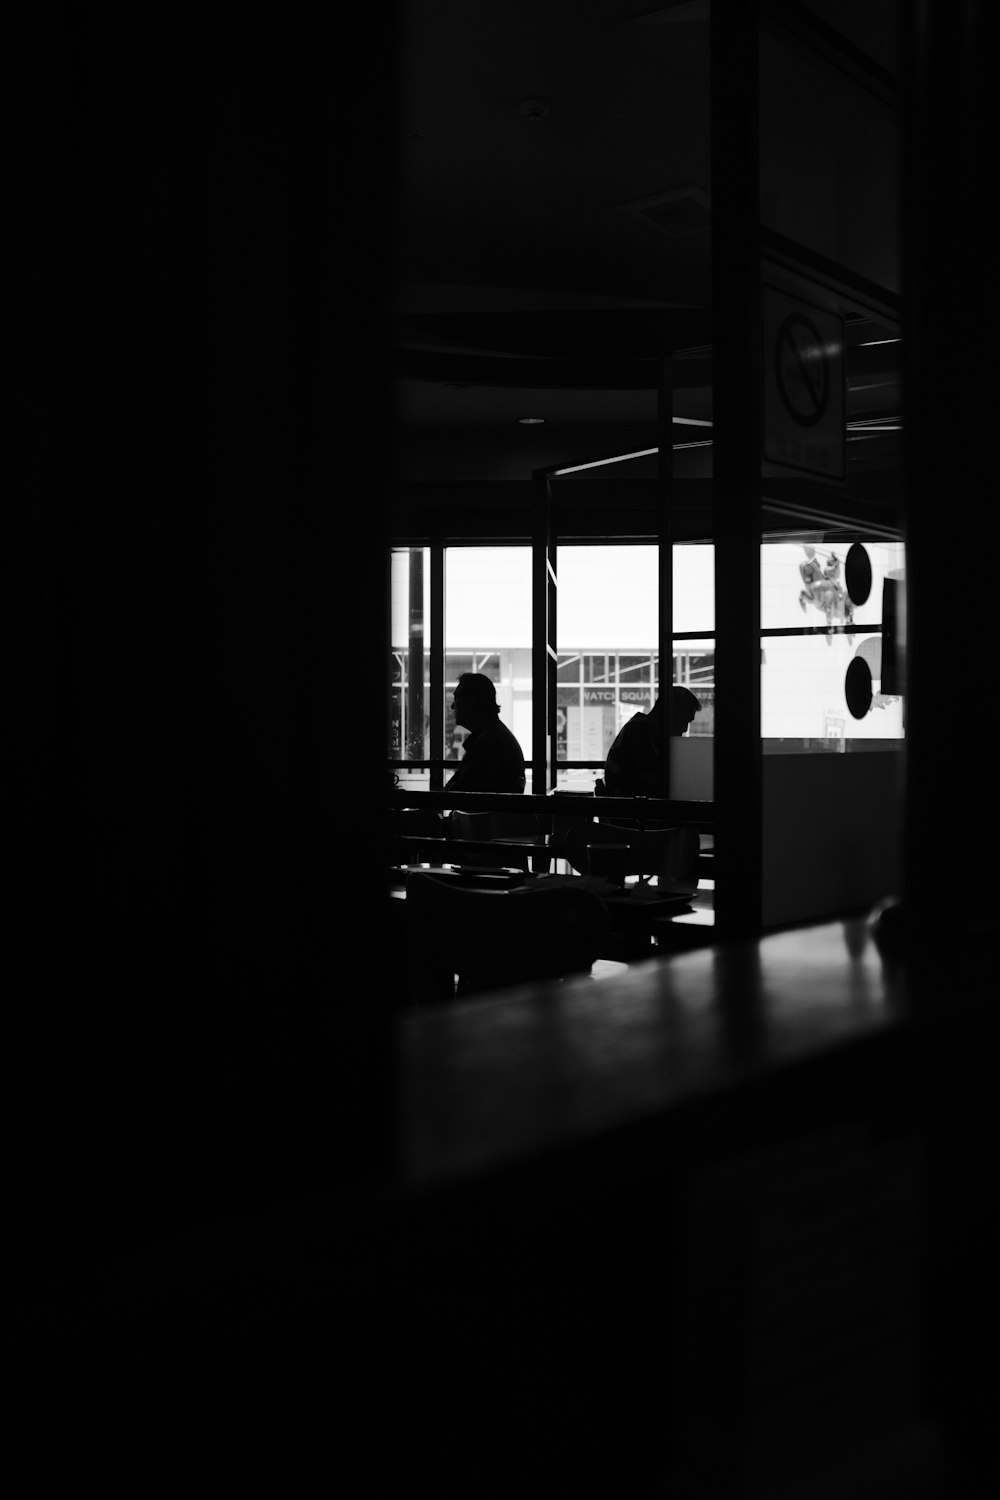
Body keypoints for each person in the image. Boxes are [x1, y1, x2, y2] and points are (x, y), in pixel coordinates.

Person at [603, 685, 701, 798]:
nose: (685, 729)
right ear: (672, 712)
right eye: (685, 720)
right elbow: (654, 782)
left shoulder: (641, 728)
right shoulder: (641, 732)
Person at [446, 673, 526, 793]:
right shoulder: (495, 737)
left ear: (470, 703)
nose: (453, 706)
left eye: (456, 699)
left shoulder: (489, 744)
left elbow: (463, 793)